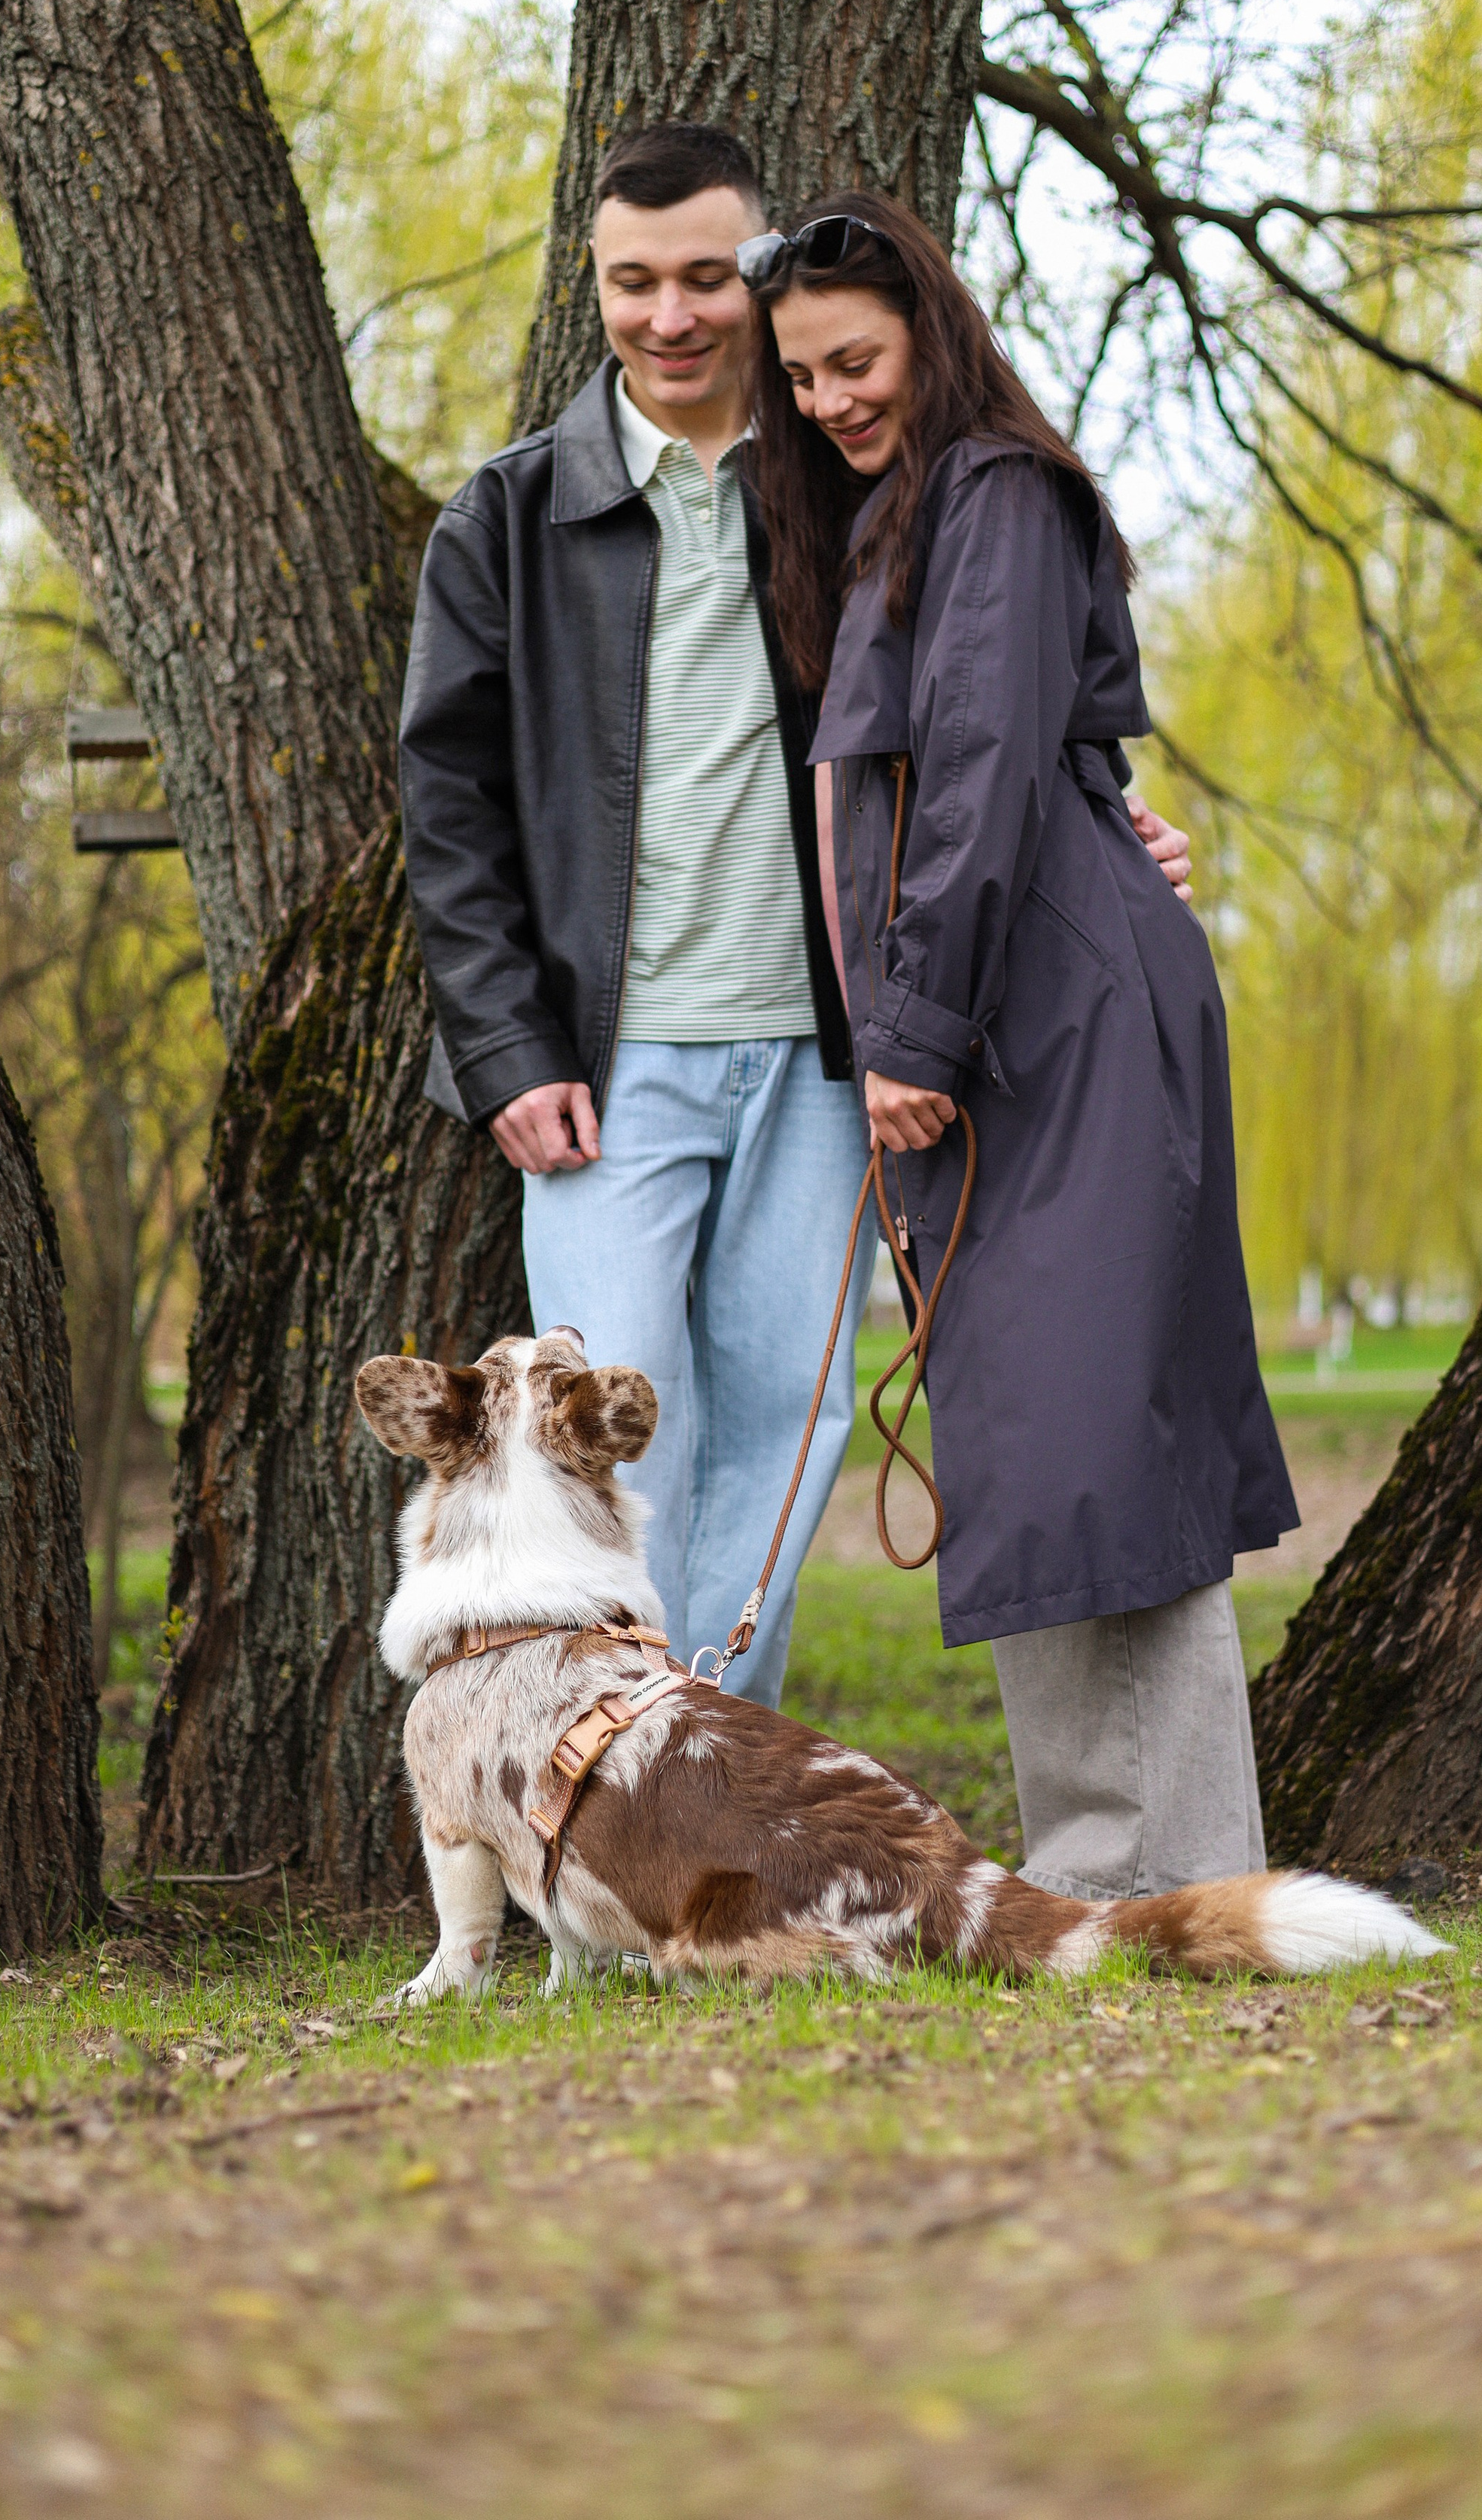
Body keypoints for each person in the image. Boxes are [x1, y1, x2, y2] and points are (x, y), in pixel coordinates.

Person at [398, 123, 1194, 1706]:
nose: (669, 315)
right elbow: (446, 803)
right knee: (614, 1428)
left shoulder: (844, 492)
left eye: (705, 277)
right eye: (633, 282)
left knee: (788, 1423)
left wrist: (1099, 830)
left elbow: (980, 714)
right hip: (602, 1069)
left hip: (830, 1062)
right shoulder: (508, 517)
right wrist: (501, 1045)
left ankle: (709, 1784)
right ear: (596, 285)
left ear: (755, 289)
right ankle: (597, 1777)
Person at [742, 190, 1298, 1896]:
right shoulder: (892, 513)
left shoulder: (993, 492)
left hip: (1038, 1015)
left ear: (927, 330)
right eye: (804, 378)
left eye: (856, 361)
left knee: (1090, 1435)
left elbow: (977, 766)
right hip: (1019, 999)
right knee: (1045, 1438)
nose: (831, 398)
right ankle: (1115, 1879)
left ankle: (1166, 1883)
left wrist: (906, 1028)